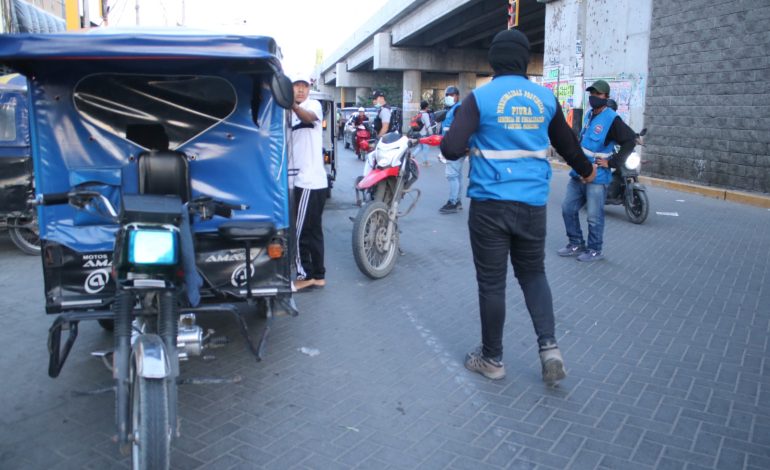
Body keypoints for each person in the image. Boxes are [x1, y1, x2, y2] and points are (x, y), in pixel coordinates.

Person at [440, 29, 596, 383]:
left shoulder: (480, 99)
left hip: (489, 206)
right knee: (533, 274)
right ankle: (549, 347)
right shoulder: (545, 98)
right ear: (524, 60)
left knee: (492, 284)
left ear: (494, 60)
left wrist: (469, 142)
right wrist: (587, 172)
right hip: (532, 205)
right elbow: (569, 147)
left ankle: (492, 359)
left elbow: (450, 149)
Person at [558, 80, 635, 262]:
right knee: (567, 208)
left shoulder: (612, 119)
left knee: (594, 216)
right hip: (579, 172)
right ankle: (576, 243)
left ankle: (594, 250)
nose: (593, 97)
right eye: (592, 94)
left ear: (606, 97)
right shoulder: (590, 114)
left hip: (598, 176)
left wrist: (613, 162)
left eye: (597, 94)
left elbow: (630, 140)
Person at [289, 74, 327, 290]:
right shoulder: (286, 112)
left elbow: (307, 117)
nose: (301, 90)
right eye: (296, 86)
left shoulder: (313, 105)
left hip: (309, 182)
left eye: (304, 86)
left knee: (300, 231)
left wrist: (292, 105)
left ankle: (305, 276)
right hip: (306, 182)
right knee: (313, 231)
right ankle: (319, 275)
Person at [439, 85, 464, 214]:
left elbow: (459, 127)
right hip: (455, 144)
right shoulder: (453, 108)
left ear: (457, 96)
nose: (449, 97)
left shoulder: (458, 108)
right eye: (447, 95)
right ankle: (457, 201)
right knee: (457, 175)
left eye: (452, 95)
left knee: (452, 175)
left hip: (455, 145)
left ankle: (453, 202)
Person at [412, 100, 434, 166]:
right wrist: (431, 133)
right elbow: (428, 125)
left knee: (421, 147)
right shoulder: (425, 114)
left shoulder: (419, 113)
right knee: (426, 147)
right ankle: (425, 162)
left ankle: (412, 156)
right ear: (426, 107)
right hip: (424, 134)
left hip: (419, 133)